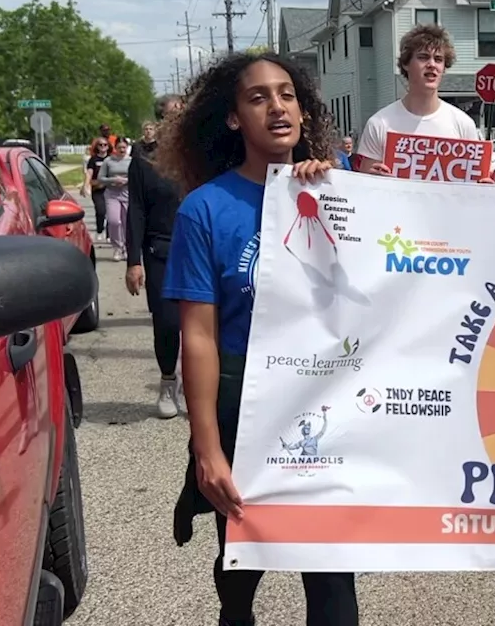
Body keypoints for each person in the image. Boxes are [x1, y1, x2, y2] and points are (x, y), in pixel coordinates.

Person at [156, 50, 358, 626]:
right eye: (258, 97)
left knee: (332, 581)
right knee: (240, 576)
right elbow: (197, 337)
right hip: (243, 410)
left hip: (323, 411)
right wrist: (207, 448)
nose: (278, 107)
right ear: (232, 119)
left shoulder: (341, 193)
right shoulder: (206, 210)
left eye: (288, 94)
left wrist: (334, 189)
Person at [126, 94, 185, 419]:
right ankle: (167, 381)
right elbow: (135, 210)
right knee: (166, 321)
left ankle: (197, 383)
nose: (174, 120)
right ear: (159, 120)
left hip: (198, 246)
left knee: (200, 322)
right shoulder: (144, 159)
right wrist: (133, 261)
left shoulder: (201, 150)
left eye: (180, 113)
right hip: (159, 247)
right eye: (168, 115)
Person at [354, 24, 479, 175]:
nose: (432, 64)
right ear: (406, 64)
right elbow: (366, 187)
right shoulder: (379, 124)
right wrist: (371, 178)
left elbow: (473, 188)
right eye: (423, 57)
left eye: (438, 59)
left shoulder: (463, 125)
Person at [97, 137, 132, 261]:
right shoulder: (108, 161)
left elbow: (137, 178)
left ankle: (127, 248)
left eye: (124, 147)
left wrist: (126, 181)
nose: (122, 150)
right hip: (112, 194)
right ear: (115, 148)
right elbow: (100, 178)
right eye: (119, 148)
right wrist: (113, 180)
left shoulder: (131, 161)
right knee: (114, 221)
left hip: (127, 194)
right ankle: (117, 247)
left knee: (127, 222)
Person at [82, 137, 111, 238]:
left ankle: (109, 234)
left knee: (111, 213)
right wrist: (86, 185)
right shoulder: (93, 159)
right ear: (97, 147)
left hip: (110, 189)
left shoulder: (111, 158)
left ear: (108, 146)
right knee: (100, 210)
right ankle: (99, 230)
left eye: (105, 145)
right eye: (100, 145)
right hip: (97, 189)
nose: (103, 147)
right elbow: (89, 173)